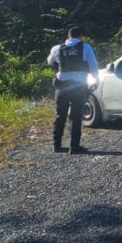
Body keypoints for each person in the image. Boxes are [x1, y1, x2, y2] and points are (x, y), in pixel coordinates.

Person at [47, 26, 98, 154]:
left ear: (68, 36)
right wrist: (95, 79)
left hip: (62, 86)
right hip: (78, 86)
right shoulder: (86, 47)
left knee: (60, 116)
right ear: (81, 37)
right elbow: (93, 66)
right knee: (76, 116)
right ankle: (74, 147)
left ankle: (56, 146)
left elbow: (49, 61)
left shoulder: (57, 48)